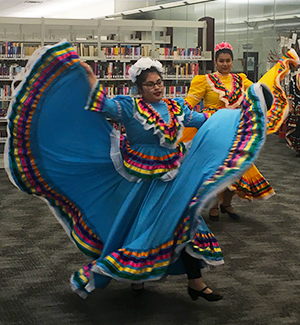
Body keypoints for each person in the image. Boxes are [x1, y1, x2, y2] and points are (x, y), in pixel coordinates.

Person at [5, 40, 269, 301]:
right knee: (141, 229)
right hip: (140, 182)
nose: (157, 88)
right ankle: (137, 276)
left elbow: (205, 121)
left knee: (185, 222)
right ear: (139, 88)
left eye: (159, 83)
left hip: (173, 178)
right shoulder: (129, 108)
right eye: (150, 84)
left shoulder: (176, 107)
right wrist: (87, 76)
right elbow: (101, 105)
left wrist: (239, 116)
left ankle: (195, 282)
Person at [181, 42, 299, 221]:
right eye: (221, 61)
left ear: (232, 61)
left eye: (228, 60)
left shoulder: (241, 80)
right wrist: (177, 111)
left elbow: (257, 91)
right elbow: (190, 101)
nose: (225, 64)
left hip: (235, 128)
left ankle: (226, 204)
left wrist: (277, 71)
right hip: (213, 128)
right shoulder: (204, 80)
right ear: (215, 62)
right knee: (216, 166)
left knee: (238, 166)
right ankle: (213, 205)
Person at [286, 73, 300, 157]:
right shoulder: (295, 79)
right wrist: (290, 106)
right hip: (297, 108)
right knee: (297, 128)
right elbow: (291, 93)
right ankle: (298, 148)